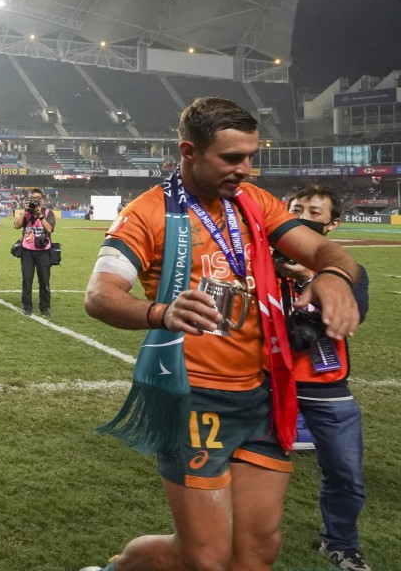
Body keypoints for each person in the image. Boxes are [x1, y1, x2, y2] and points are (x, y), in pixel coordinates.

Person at [80, 97, 361, 571]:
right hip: (195, 398)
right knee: (205, 559)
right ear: (189, 151)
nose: (246, 170)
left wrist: (334, 277)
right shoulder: (148, 213)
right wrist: (160, 312)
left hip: (263, 394)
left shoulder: (256, 204)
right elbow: (99, 295)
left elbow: (329, 253)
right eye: (232, 158)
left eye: (251, 156)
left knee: (257, 551)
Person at [279, 185, 373, 571]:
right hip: (263, 380)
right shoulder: (254, 263)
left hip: (326, 383)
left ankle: (341, 544)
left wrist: (308, 278)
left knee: (346, 474)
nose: (303, 217)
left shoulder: (346, 273)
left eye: (314, 213)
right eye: (296, 209)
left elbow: (348, 321)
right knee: (241, 464)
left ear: (332, 225)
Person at [13, 187, 56, 317]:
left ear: (41, 199)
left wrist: (40, 216)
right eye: (33, 198)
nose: (35, 201)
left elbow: (49, 229)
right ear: (29, 199)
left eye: (38, 198)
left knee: (44, 280)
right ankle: (27, 307)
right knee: (27, 280)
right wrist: (24, 211)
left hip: (43, 251)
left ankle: (44, 308)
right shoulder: (26, 213)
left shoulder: (48, 213)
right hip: (27, 251)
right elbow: (16, 226)